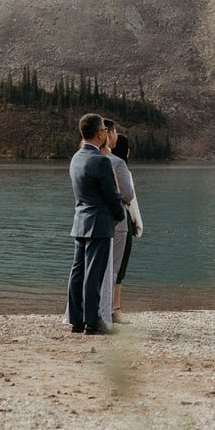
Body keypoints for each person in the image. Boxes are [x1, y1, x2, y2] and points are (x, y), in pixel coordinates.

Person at [67, 112, 124, 337]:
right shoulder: (101, 161)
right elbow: (112, 195)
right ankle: (93, 322)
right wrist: (118, 216)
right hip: (99, 222)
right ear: (100, 133)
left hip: (81, 220)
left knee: (78, 272)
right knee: (94, 274)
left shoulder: (76, 158)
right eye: (103, 130)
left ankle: (76, 320)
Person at [98, 119, 137, 331]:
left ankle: (99, 309)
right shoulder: (116, 163)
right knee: (113, 268)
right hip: (117, 220)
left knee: (94, 266)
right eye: (112, 132)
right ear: (108, 134)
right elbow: (127, 194)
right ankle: (109, 311)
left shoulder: (84, 158)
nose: (113, 136)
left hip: (93, 220)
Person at [111, 131, 144, 324]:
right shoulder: (121, 167)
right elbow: (130, 199)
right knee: (119, 268)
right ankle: (116, 308)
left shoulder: (105, 162)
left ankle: (110, 307)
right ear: (127, 151)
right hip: (123, 223)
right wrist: (137, 225)